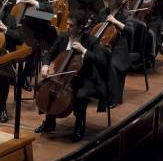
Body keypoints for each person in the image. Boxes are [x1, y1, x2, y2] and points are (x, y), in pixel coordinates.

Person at [34, 10, 108, 142]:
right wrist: (45, 65)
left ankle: (79, 126)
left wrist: (84, 50)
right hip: (62, 77)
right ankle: (49, 121)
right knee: (43, 86)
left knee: (81, 95)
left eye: (71, 25)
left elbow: (102, 61)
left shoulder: (91, 41)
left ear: (80, 27)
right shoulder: (63, 37)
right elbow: (49, 53)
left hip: (84, 77)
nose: (67, 27)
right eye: (67, 24)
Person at [0, 0, 24, 123]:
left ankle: (3, 106)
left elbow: (19, 39)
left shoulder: (9, 18)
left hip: (4, 57)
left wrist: (6, 29)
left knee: (2, 75)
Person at [99, 0, 135, 106]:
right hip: (103, 44)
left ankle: (113, 98)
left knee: (111, 64)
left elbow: (130, 31)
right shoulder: (103, 12)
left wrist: (115, 21)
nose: (108, 2)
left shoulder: (126, 14)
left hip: (119, 47)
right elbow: (95, 27)